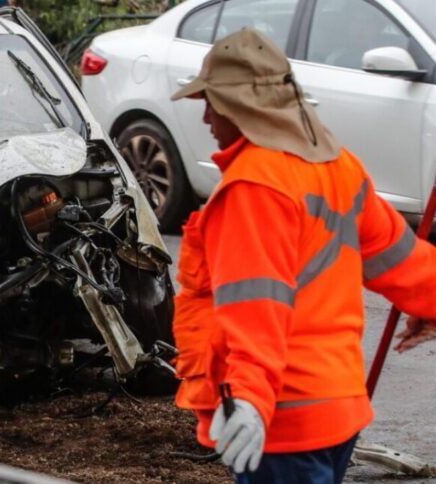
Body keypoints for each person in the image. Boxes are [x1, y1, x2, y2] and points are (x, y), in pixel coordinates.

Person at [169, 28, 436, 483]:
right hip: (337, 410)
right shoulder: (335, 165)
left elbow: (256, 308)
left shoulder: (253, 188)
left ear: (241, 107)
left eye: (212, 103)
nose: (207, 118)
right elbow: (400, 259)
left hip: (281, 423)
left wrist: (250, 399)